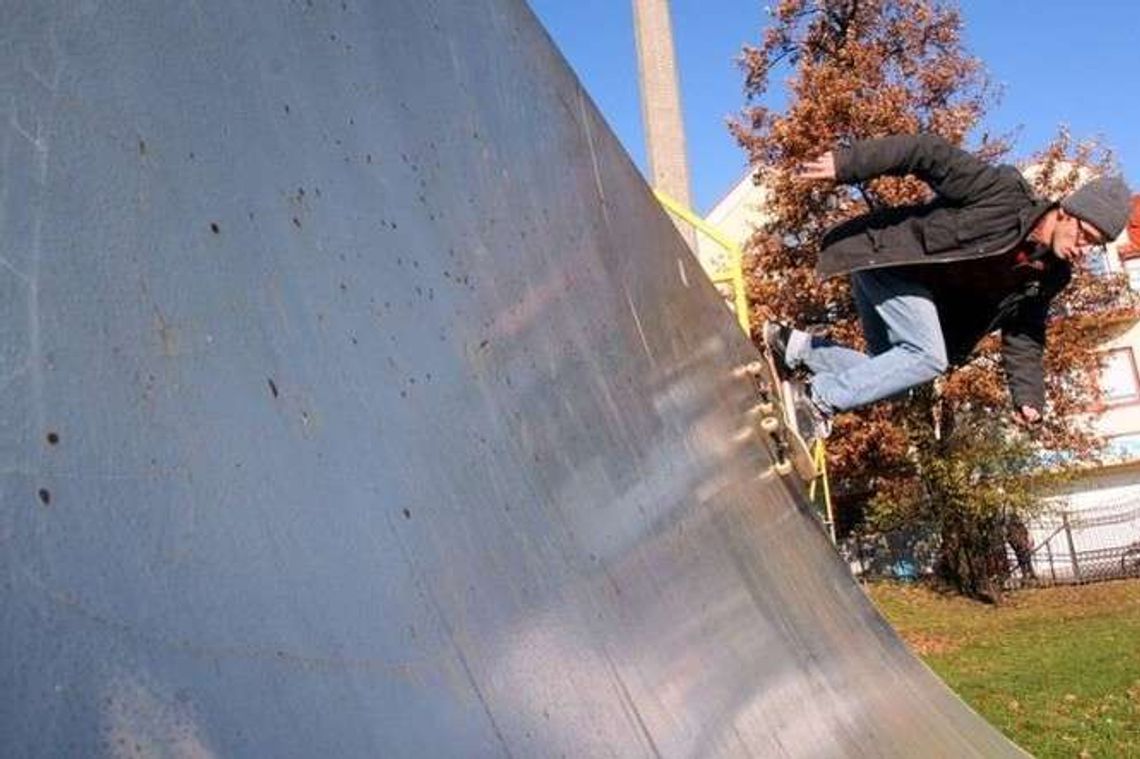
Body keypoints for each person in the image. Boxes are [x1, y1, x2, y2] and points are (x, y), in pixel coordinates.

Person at [763, 134, 1132, 443]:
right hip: (889, 260)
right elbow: (927, 153)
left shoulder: (1051, 276)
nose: (1083, 248)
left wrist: (1029, 395)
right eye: (1085, 234)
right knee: (926, 356)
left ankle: (793, 346)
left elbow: (1025, 332)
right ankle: (815, 402)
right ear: (1067, 211)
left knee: (893, 380)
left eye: (1094, 245)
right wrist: (850, 163)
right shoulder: (1002, 194)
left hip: (917, 299)